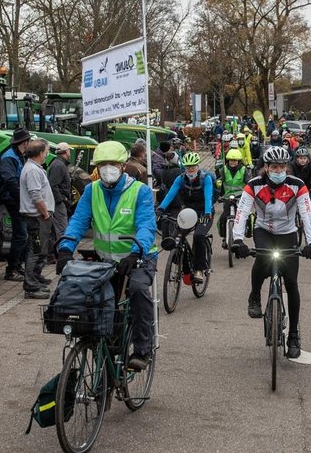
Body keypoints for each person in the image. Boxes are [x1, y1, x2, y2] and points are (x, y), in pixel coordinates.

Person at [57, 141, 158, 371]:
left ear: (122, 166)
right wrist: (65, 247)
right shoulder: (92, 190)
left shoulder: (139, 191)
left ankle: (143, 348)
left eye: (112, 164)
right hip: (107, 261)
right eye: (102, 165)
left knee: (138, 290)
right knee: (94, 298)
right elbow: (79, 221)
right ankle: (106, 349)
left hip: (139, 258)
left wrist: (135, 252)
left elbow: (146, 226)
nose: (107, 169)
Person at [230, 146, 311, 359]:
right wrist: (238, 240)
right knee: (261, 258)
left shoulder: (297, 185)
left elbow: (307, 213)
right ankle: (254, 296)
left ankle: (294, 335)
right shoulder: (254, 185)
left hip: (288, 233)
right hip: (264, 231)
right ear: (266, 167)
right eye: (274, 166)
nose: (278, 170)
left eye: (282, 166)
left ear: (286, 167)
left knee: (291, 283)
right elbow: (242, 213)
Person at [159, 151, 214, 283]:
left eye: (193, 166)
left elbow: (208, 196)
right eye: (187, 167)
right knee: (177, 235)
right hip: (189, 211)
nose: (190, 169)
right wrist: (161, 208)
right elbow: (170, 194)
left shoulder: (205, 178)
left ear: (197, 166)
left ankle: (200, 269)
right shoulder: (180, 179)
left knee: (198, 236)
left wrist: (207, 213)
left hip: (204, 212)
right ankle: (186, 269)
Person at [19, 139, 55, 298]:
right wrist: (45, 213)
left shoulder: (34, 168)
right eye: (46, 151)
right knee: (36, 250)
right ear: (41, 153)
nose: (47, 154)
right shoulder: (32, 170)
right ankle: (31, 286)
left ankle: (36, 279)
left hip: (40, 216)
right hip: (37, 216)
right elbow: (35, 194)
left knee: (41, 250)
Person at [0, 128, 32, 281]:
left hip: (16, 199)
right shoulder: (9, 158)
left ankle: (17, 266)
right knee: (21, 234)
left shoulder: (18, 156)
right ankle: (12, 269)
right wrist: (21, 198)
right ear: (24, 143)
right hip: (12, 199)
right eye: (29, 141)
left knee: (22, 234)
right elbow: (10, 180)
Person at [216, 149, 249, 244]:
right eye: (230, 160)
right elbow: (220, 182)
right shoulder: (224, 169)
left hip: (240, 197)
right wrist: (218, 186)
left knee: (242, 218)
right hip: (227, 197)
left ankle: (241, 237)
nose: (232, 162)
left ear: (239, 161)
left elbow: (248, 183)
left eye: (234, 160)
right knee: (223, 217)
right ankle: (225, 237)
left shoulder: (244, 170)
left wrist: (247, 193)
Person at [48, 141, 73, 238]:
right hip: (59, 203)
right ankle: (62, 250)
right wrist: (61, 201)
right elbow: (53, 185)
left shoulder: (59, 164)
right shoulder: (59, 165)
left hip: (60, 201)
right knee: (62, 229)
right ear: (66, 152)